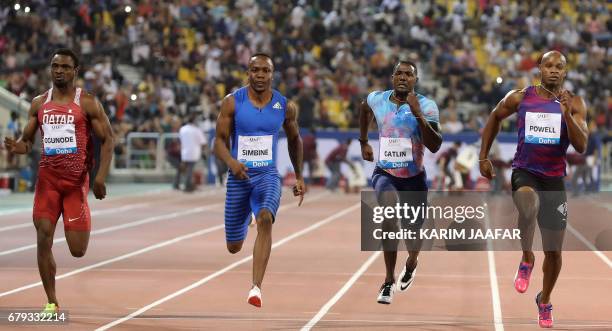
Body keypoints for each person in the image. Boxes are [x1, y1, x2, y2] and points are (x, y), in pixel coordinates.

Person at [479, 51, 588, 328]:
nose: (553, 70)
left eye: (559, 66)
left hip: (554, 179)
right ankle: (527, 255)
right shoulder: (521, 97)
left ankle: (545, 300)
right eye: (548, 65)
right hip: (525, 171)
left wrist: (566, 115)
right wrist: (484, 156)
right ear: (539, 68)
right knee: (529, 205)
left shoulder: (574, 102)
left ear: (565, 72)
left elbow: (581, 145)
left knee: (554, 253)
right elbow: (494, 117)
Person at [3, 48, 114, 315]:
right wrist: (15, 147)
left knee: (78, 250)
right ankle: (51, 301)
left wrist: (99, 176)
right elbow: (28, 141)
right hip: (48, 181)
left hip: (76, 183)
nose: (59, 71)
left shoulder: (86, 102)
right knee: (43, 237)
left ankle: (76, 219)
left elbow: (108, 139)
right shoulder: (39, 102)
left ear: (75, 70)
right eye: (55, 66)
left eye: (65, 67)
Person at [213, 53, 304, 308]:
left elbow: (295, 140)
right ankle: (247, 216)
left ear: (272, 74)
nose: (260, 75)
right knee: (233, 247)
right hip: (238, 178)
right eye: (256, 70)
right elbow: (218, 142)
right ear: (248, 73)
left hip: (267, 176)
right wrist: (232, 163)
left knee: (266, 218)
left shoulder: (285, 106)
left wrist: (299, 176)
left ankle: (256, 288)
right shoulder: (232, 103)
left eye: (265, 70)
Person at [359, 60, 442, 304]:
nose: (403, 77)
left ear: (415, 80)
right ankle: (387, 281)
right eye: (399, 73)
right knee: (389, 213)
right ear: (392, 77)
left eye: (408, 74)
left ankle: (412, 262)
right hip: (385, 173)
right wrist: (363, 140)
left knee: (413, 235)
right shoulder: (377, 99)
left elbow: (435, 145)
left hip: (414, 178)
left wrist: (418, 113)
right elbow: (364, 109)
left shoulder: (427, 105)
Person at [178, 113, 207, 192]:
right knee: (190, 169)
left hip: (184, 152)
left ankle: (186, 184)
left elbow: (180, 141)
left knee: (186, 169)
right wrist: (204, 152)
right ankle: (188, 185)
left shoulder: (182, 129)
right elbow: (203, 143)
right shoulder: (196, 130)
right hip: (194, 152)